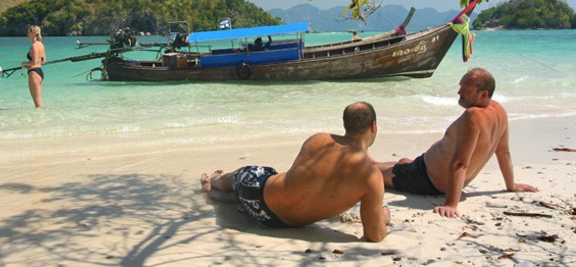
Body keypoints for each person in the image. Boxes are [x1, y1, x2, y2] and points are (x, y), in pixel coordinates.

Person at [201, 102, 390, 242]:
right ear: (373, 127)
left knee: (243, 178)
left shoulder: (319, 140)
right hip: (274, 221)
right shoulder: (371, 177)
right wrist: (384, 215)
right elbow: (375, 235)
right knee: (245, 195)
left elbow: (299, 180)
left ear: (345, 124)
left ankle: (215, 183)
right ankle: (213, 191)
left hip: (257, 194)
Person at [377, 68, 538, 218]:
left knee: (370, 171)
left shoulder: (473, 116)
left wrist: (451, 204)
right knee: (401, 162)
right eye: (461, 86)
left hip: (425, 180)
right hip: (423, 167)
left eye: (466, 90)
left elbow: (460, 163)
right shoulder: (499, 111)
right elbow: (503, 152)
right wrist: (511, 185)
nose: (459, 92)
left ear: (483, 94)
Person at [21, 25, 46, 108]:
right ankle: (40, 118)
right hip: (40, 73)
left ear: (34, 33)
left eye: (29, 32)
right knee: (38, 100)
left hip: (34, 73)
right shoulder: (41, 45)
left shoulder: (34, 46)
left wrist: (24, 63)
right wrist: (30, 63)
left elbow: (34, 62)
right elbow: (43, 61)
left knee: (37, 102)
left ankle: (39, 120)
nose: (27, 33)